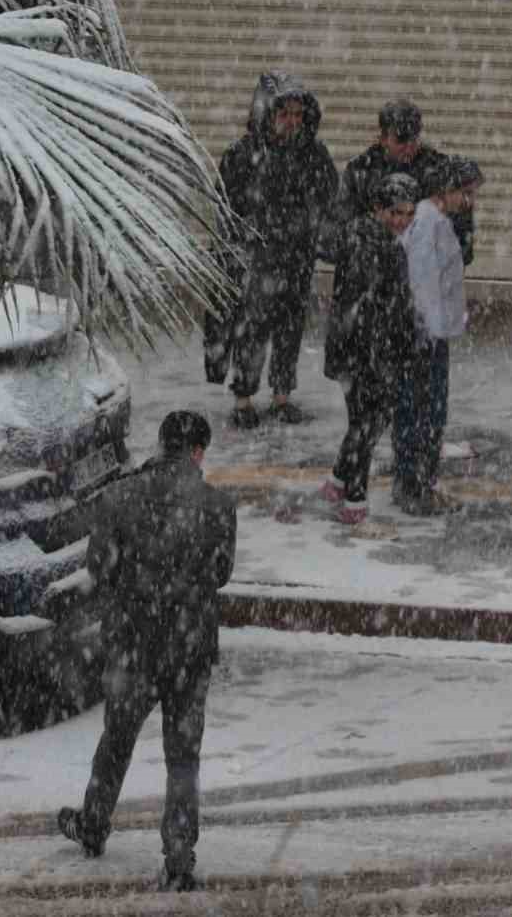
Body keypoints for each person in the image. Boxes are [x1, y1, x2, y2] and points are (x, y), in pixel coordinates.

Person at [57, 410, 237, 893]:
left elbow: (99, 566)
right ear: (198, 452)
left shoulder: (119, 496)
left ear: (160, 444)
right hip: (190, 650)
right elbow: (221, 573)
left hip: (133, 646)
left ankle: (93, 824)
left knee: (117, 739)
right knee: (183, 757)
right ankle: (179, 856)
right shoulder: (218, 505)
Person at [205, 70, 337, 429]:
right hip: (257, 261)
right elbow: (225, 209)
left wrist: (319, 233)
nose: (292, 122)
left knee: (290, 328)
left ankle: (282, 396)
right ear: (266, 113)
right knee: (251, 329)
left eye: (298, 114)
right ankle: (244, 398)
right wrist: (246, 242)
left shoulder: (314, 156)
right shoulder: (242, 154)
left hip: (297, 258)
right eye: (284, 114)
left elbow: (328, 202)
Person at [318, 173, 419, 526]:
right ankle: (354, 501)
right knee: (367, 423)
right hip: (365, 353)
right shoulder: (370, 244)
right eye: (396, 212)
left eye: (409, 214)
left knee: (366, 422)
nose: (402, 221)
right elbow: (367, 308)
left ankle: (338, 481)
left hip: (363, 350)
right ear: (378, 209)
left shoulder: (374, 237)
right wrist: (382, 355)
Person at [392, 156, 483, 515]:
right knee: (422, 416)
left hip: (430, 333)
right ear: (448, 189)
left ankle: (420, 484)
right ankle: (416, 489)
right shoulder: (428, 222)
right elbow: (423, 282)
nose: (470, 201)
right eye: (467, 192)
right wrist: (429, 331)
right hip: (423, 336)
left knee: (426, 415)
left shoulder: (436, 220)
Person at [328, 99, 475, 267]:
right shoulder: (360, 171)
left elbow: (462, 243)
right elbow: (335, 236)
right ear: (383, 138)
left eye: (414, 139)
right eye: (401, 140)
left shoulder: (440, 172)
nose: (409, 147)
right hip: (369, 279)